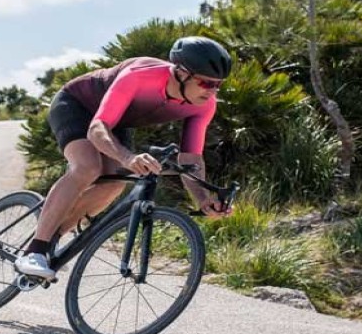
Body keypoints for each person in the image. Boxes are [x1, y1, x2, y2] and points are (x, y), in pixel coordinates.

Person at [14, 36, 234, 281]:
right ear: (182, 73)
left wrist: (203, 199)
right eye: (206, 83)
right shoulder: (140, 76)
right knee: (87, 167)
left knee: (115, 183)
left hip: (116, 121)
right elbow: (97, 129)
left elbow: (191, 158)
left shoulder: (204, 105)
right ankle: (34, 250)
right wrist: (128, 157)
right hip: (77, 105)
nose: (212, 91)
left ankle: (53, 239)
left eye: (218, 85)